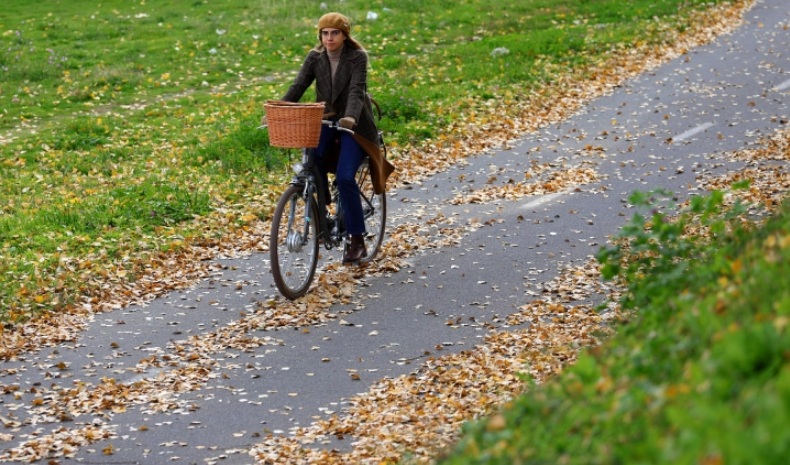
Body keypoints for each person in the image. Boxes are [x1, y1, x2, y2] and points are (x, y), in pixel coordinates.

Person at [279, 12, 383, 265]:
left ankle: (356, 238)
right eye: (324, 33)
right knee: (312, 163)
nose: (329, 38)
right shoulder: (315, 58)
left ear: (345, 35)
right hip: (324, 120)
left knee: (346, 176)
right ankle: (324, 209)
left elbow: (357, 91)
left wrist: (350, 117)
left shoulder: (357, 57)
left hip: (354, 125)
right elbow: (299, 85)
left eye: (334, 33)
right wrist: (280, 109)